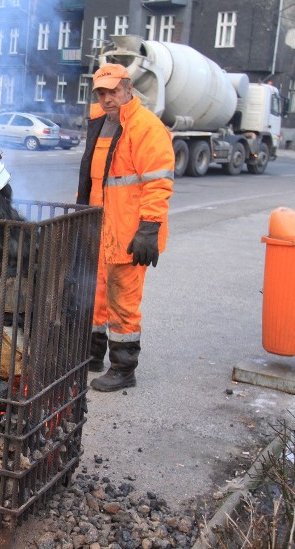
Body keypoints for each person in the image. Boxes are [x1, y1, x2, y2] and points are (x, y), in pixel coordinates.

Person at [76, 63, 174, 392]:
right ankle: (92, 354)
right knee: (96, 294)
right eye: (101, 92)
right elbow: (94, 181)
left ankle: (124, 368)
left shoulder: (145, 127)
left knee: (123, 301)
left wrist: (149, 228)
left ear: (128, 89)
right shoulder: (100, 124)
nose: (107, 98)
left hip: (130, 235)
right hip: (101, 229)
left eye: (113, 91)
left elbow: (158, 183)